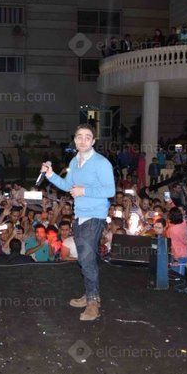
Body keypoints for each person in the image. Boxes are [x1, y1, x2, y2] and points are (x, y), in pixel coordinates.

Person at [41, 123, 115, 321]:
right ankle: (90, 293)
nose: (83, 140)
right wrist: (50, 174)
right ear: (74, 139)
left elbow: (110, 190)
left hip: (95, 215)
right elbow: (67, 186)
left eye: (87, 137)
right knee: (84, 259)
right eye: (79, 136)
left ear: (93, 141)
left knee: (87, 259)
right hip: (80, 215)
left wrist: (84, 191)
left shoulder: (102, 163)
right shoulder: (75, 161)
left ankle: (93, 303)